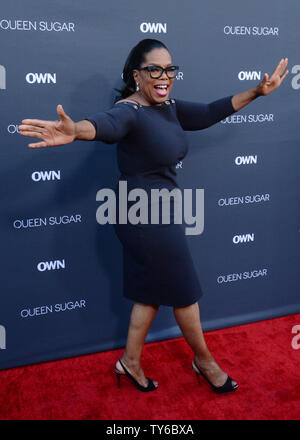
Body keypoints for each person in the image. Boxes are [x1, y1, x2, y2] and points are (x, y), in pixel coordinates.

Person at [19, 38, 288, 394]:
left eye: (169, 69)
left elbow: (208, 112)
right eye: (154, 70)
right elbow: (104, 125)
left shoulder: (168, 107)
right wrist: (76, 130)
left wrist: (257, 91)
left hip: (155, 213)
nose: (164, 76)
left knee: (149, 293)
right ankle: (204, 361)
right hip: (143, 217)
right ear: (136, 75)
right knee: (185, 293)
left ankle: (129, 363)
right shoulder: (129, 111)